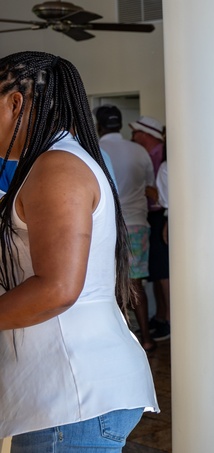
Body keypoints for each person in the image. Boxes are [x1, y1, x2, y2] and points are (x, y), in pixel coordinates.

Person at [0, 51, 158, 450]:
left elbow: (56, 289)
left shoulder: (57, 167)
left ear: (15, 102)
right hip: (62, 396)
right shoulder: (51, 163)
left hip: (72, 395)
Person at [96, 104, 158, 352]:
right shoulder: (139, 151)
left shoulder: (94, 149)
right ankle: (146, 338)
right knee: (136, 283)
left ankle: (123, 341)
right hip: (138, 224)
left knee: (111, 284)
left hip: (107, 226)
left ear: (98, 125)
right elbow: (151, 188)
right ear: (120, 124)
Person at [130, 115, 170, 341]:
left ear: (146, 134)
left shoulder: (161, 157)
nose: (133, 137)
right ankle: (160, 316)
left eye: (136, 132)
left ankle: (168, 320)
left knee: (163, 271)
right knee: (155, 271)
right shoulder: (147, 155)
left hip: (161, 216)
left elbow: (160, 194)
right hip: (152, 216)